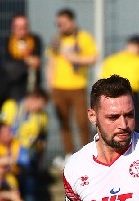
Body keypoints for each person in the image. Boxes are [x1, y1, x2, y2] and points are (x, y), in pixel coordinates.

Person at [46, 8, 98, 169]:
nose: (60, 26)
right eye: (58, 23)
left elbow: (93, 57)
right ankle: (68, 153)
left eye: (63, 23)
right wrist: (51, 85)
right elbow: (51, 62)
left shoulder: (84, 38)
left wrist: (74, 58)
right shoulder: (56, 40)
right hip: (59, 88)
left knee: (82, 122)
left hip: (77, 86)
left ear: (71, 21)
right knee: (64, 123)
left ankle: (87, 152)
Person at [100, 36, 139, 132]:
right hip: (131, 95)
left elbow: (103, 80)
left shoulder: (111, 60)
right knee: (137, 124)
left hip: (110, 95)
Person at [0, 14, 42, 102]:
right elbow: (6, 63)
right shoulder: (6, 42)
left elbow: (37, 60)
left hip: (31, 84)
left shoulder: (35, 40)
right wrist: (25, 62)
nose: (21, 30)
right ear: (13, 28)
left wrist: (32, 61)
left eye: (24, 27)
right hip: (12, 85)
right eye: (18, 27)